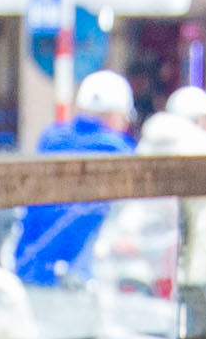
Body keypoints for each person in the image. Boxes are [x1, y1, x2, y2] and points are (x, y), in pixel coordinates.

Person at [11, 67, 136, 292]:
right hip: (81, 273)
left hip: (30, 262)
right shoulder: (118, 148)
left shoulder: (51, 137)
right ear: (115, 115)